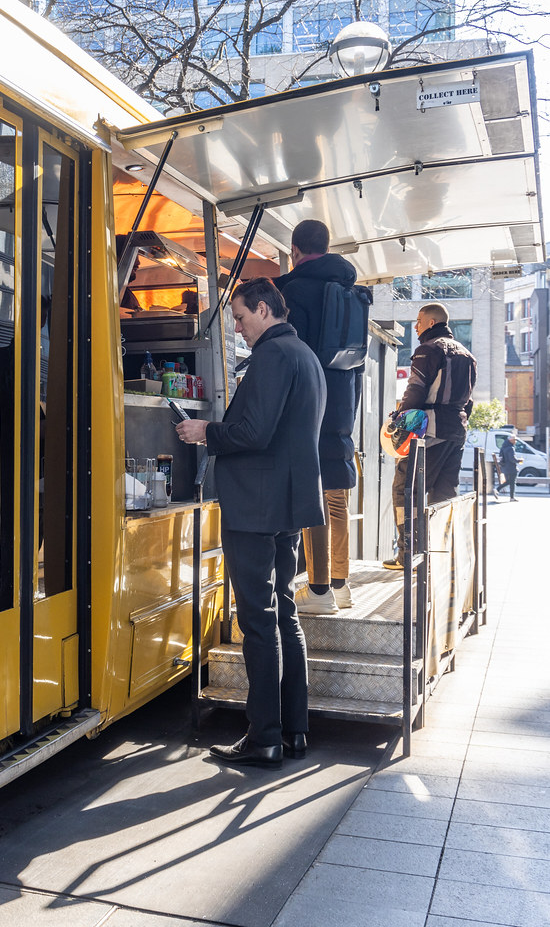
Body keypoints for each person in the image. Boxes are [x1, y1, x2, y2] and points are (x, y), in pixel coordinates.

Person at [176, 278, 326, 767]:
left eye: (240, 318)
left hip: (256, 508)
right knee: (283, 614)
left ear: (263, 309)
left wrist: (206, 431)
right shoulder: (305, 355)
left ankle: (263, 736)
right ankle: (293, 730)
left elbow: (253, 431)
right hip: (286, 505)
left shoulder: (272, 356)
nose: (238, 329)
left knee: (257, 621)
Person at [275, 219, 362, 614]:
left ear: (295, 249)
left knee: (315, 498)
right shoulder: (348, 289)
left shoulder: (296, 291)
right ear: (326, 247)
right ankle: (341, 584)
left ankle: (320, 590)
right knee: (336, 495)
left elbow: (294, 352)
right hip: (345, 399)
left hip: (313, 402)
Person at [384, 302, 477, 571]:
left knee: (406, 490)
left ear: (432, 323)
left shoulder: (428, 350)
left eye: (419, 320)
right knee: (444, 493)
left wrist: (399, 422)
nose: (416, 326)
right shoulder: (468, 355)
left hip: (430, 431)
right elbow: (468, 402)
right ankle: (442, 557)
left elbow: (415, 391)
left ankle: (407, 554)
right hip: (457, 432)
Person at [495, 434, 520, 501]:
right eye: (515, 440)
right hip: (511, 468)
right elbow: (512, 459)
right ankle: (498, 490)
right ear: (511, 440)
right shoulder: (511, 448)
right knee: (512, 482)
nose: (515, 442)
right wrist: (519, 460)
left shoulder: (503, 447)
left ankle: (499, 490)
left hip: (504, 468)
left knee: (509, 481)